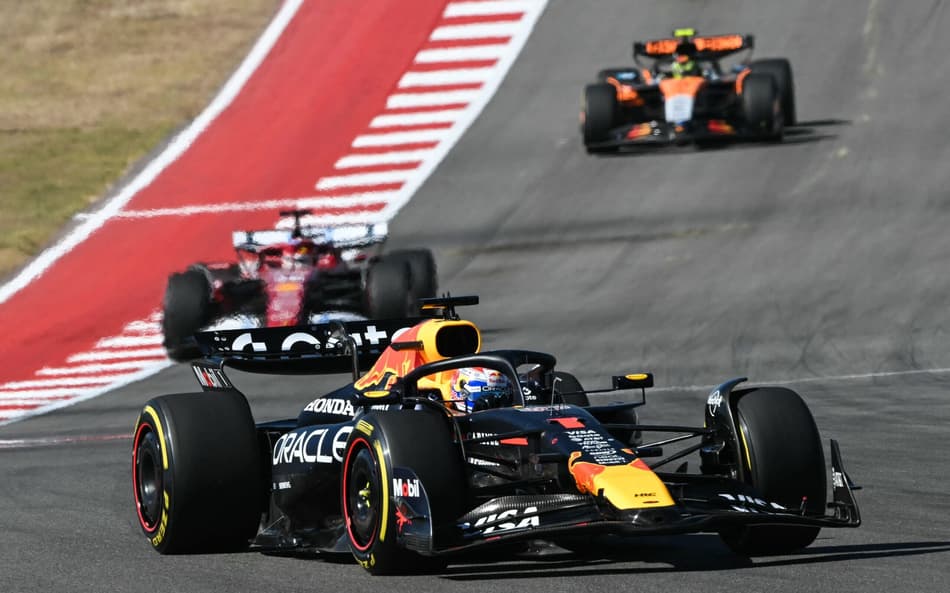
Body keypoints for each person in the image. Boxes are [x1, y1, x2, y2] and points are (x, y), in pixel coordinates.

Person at [445, 367, 513, 413]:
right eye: (483, 395)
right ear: (463, 392)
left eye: (500, 395)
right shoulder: (441, 418)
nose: (492, 402)